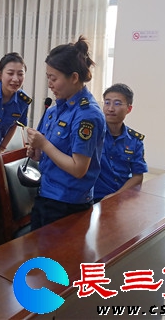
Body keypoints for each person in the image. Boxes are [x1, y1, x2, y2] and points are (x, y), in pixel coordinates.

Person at [26, 36, 106, 230]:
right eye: (48, 78)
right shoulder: (54, 110)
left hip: (68, 204)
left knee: (56, 251)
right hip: (45, 194)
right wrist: (37, 153)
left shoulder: (87, 115)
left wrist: (44, 144)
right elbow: (50, 154)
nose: (50, 84)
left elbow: (78, 169)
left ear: (74, 77)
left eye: (54, 78)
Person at [94, 83, 147, 203]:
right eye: (107, 103)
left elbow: (138, 176)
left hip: (122, 198)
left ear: (129, 109)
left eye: (117, 103)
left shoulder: (135, 140)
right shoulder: (93, 134)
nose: (110, 108)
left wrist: (116, 196)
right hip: (93, 199)